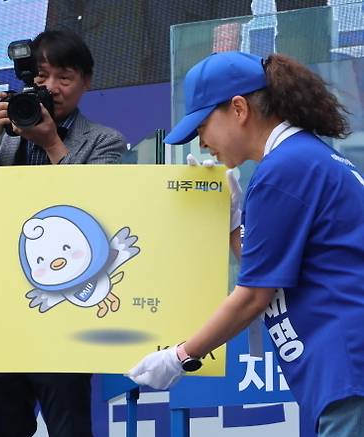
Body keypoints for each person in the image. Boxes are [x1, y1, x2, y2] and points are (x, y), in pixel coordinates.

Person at [127, 51, 364, 436]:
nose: (202, 143)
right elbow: (269, 273)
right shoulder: (304, 157)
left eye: (202, 125)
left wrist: (180, 356)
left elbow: (254, 295)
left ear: (238, 109)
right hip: (346, 370)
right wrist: (233, 223)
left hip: (348, 367)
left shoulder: (284, 168)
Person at [0, 29, 126, 436]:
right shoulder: (2, 131)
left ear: (86, 82)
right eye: (42, 77)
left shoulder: (104, 141)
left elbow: (96, 210)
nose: (52, 88)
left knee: (68, 426)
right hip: (0, 311)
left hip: (64, 312)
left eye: (65, 77)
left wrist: (52, 144)